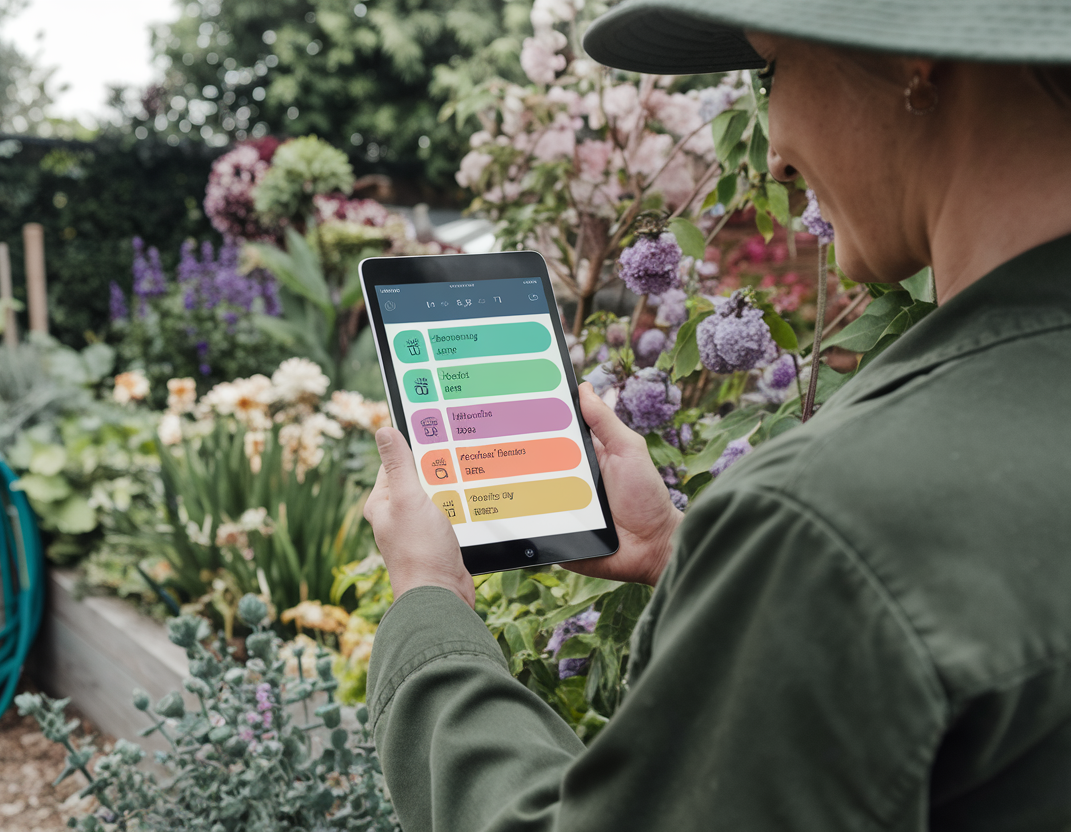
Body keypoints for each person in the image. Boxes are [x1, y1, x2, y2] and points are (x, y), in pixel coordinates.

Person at [362, 0, 1071, 828]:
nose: (771, 153)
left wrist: (428, 602)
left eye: (771, 70)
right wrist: (693, 558)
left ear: (920, 60)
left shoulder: (829, 526)